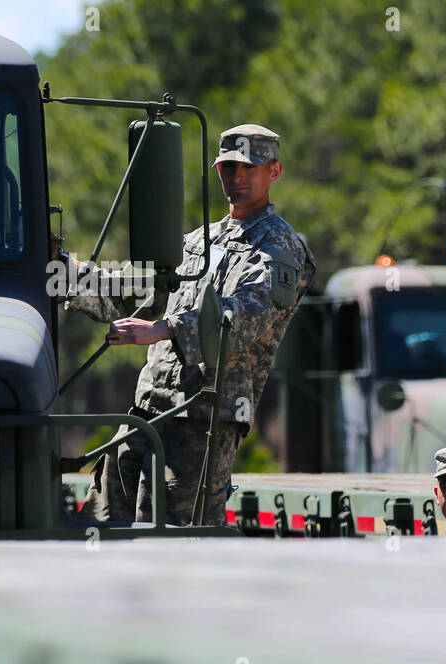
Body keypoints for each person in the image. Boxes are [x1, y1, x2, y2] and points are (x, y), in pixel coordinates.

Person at [60, 124, 315, 526]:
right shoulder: (199, 242)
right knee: (102, 520)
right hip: (148, 408)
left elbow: (247, 316)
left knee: (172, 537)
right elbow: (134, 290)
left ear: (275, 172)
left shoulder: (280, 248)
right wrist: (64, 271)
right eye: (229, 168)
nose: (238, 177)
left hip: (203, 419)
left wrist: (163, 329)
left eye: (250, 167)